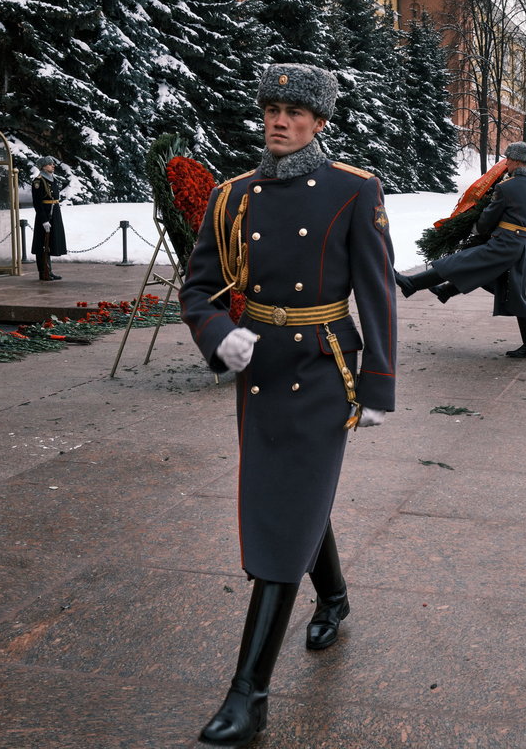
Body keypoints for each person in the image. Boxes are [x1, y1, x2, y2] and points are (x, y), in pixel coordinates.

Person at [179, 63, 397, 747]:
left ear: (321, 122)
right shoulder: (233, 195)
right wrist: (219, 337)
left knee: (281, 518)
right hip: (262, 369)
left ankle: (250, 695)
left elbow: (377, 293)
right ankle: (333, 595)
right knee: (293, 502)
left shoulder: (352, 190)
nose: (280, 120)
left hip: (325, 368)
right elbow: (199, 287)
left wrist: (379, 382)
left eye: (295, 112)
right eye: (272, 108)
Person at [394, 141, 526, 359]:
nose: (506, 164)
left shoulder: (506, 187)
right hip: (523, 245)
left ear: (515, 161)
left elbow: (487, 220)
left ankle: (412, 283)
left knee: (458, 262)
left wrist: (476, 228)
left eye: (508, 160)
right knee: (518, 293)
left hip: (502, 243)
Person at [30, 157, 66, 281]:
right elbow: (37, 203)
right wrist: (44, 220)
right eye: (50, 164)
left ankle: (49, 271)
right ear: (43, 167)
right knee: (42, 244)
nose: (53, 166)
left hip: (54, 212)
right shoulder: (38, 181)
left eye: (52, 164)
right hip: (45, 214)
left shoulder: (52, 179)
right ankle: (43, 272)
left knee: (50, 243)